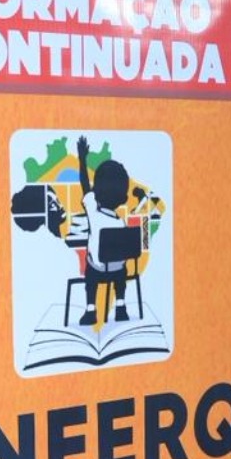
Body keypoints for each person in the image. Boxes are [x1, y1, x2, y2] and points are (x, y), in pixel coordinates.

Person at [77, 135, 131, 326]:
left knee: (90, 268)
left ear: (97, 190)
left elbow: (84, 185)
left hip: (97, 271)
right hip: (117, 272)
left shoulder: (93, 211)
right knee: (121, 269)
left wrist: (82, 159)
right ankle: (121, 307)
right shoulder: (121, 222)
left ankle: (90, 310)